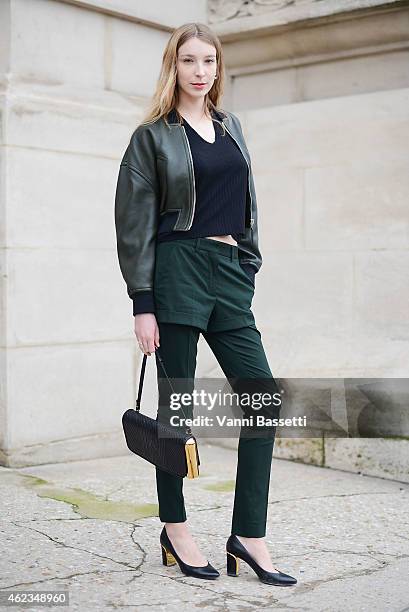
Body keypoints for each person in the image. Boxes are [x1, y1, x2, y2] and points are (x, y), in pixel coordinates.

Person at [114, 22, 297, 586]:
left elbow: (248, 202)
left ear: (219, 67)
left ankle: (248, 535)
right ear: (175, 66)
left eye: (210, 61)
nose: (201, 71)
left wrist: (247, 263)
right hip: (177, 271)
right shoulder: (153, 136)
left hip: (227, 271)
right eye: (190, 61)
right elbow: (134, 223)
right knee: (178, 409)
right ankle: (176, 527)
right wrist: (143, 302)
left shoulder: (231, 126)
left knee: (263, 396)